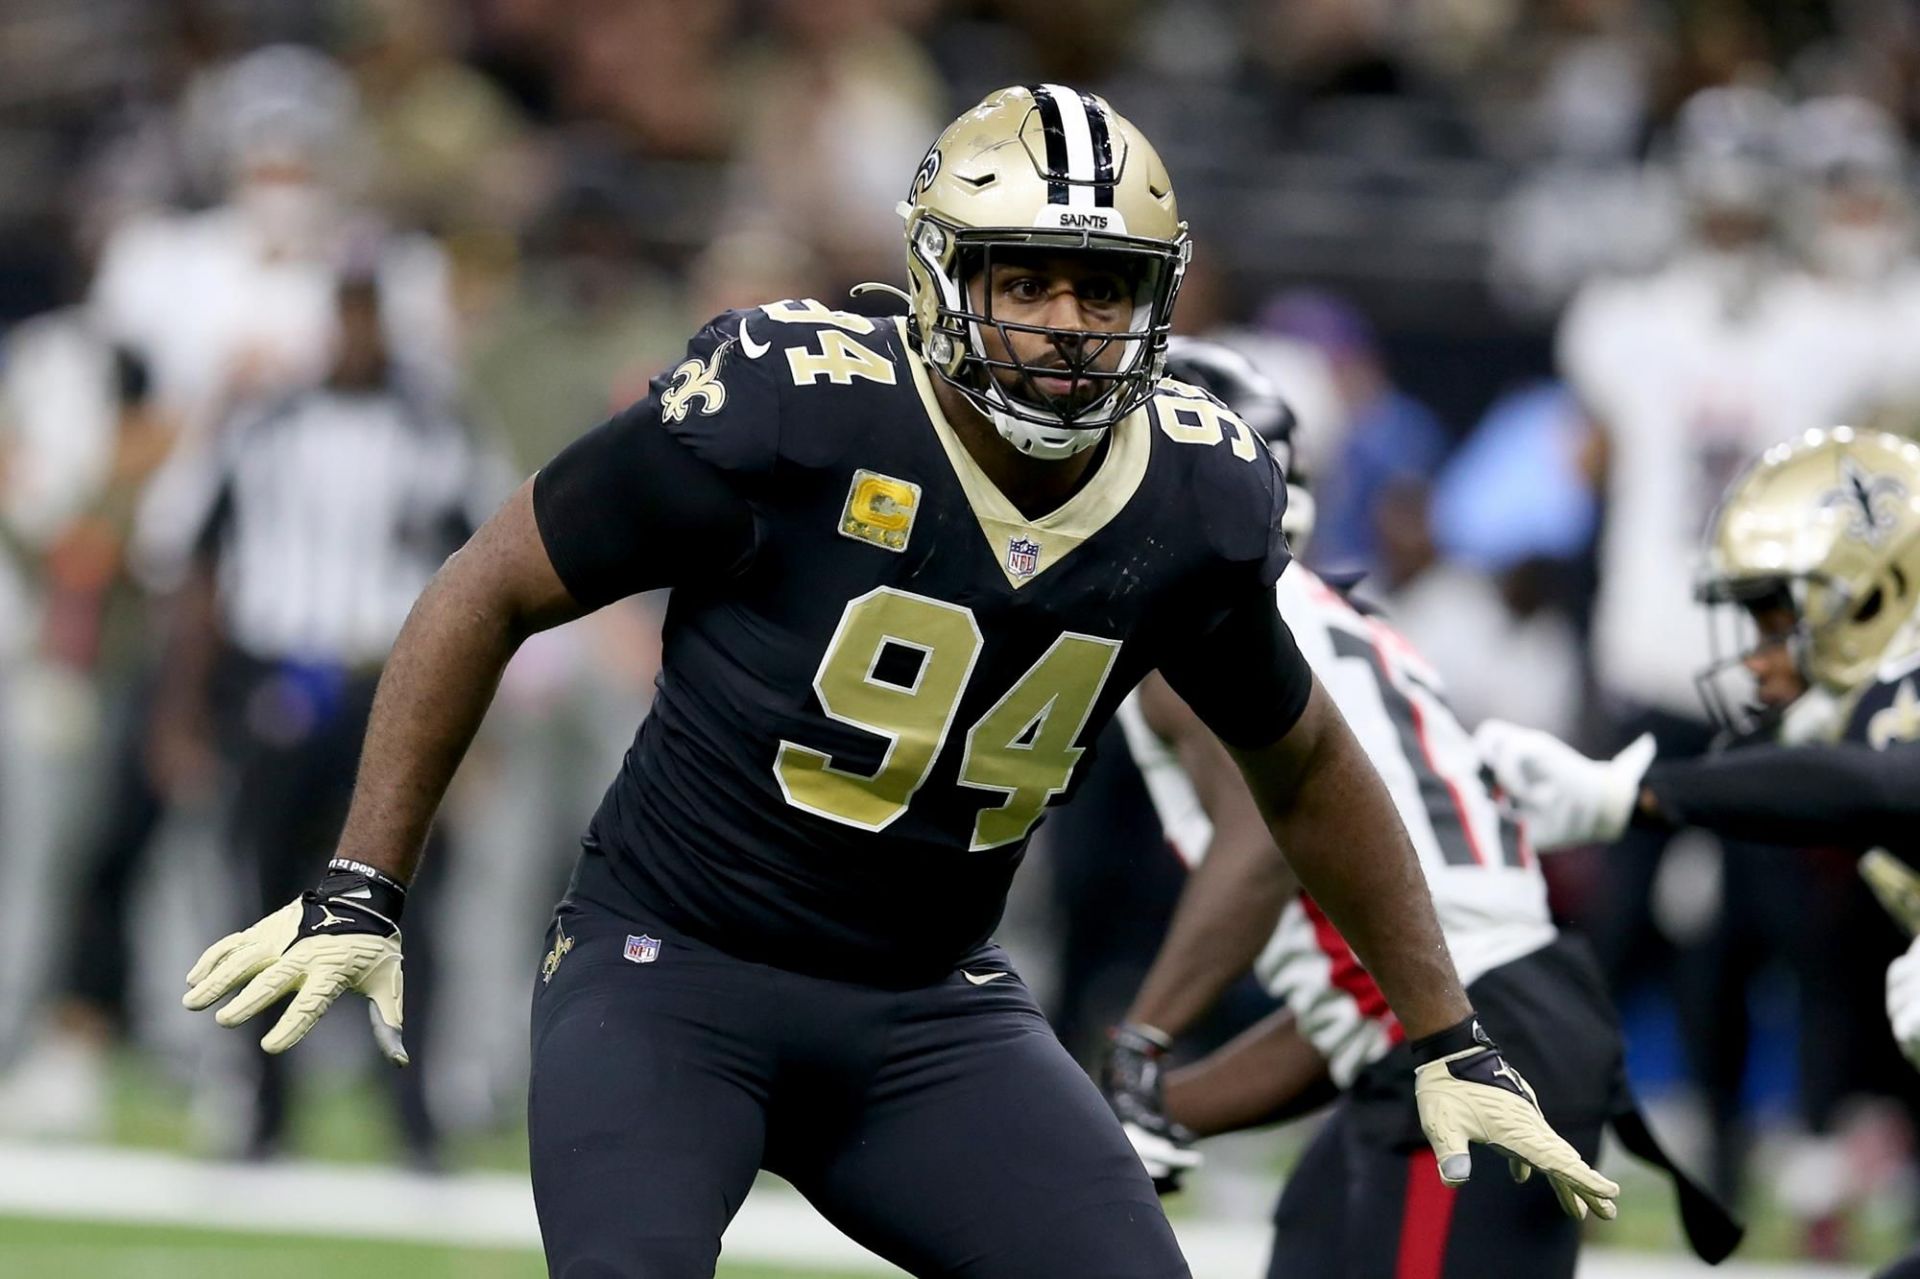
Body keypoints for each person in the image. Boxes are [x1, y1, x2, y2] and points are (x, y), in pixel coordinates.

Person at [179, 86, 1614, 1277]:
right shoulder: (791, 403)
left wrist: (1449, 1033)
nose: (1065, 318)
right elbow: (490, 581)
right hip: (672, 971)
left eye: (1103, 284)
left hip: (929, 1010)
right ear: (943, 277)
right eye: (1026, 277)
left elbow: (1300, 762)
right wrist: (365, 880)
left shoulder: (1194, 490)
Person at [1101, 340, 1732, 1278]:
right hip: (1485, 1018)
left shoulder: (1203, 626)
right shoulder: (1337, 619)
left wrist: (1138, 1045)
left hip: (1478, 1035)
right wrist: (1139, 1116)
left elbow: (1262, 851)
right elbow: (1360, 1008)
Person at [1479, 427, 1920, 1261]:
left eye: (1773, 616)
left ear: (1865, 596)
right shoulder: (1869, 712)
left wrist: (1637, 795)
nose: (1755, 656)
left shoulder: (1896, 707)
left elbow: (1889, 784)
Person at [159, 263, 484, 1163]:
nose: (357, 338)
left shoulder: (435, 432)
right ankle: (255, 1105)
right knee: (259, 894)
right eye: (342, 318)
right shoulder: (261, 428)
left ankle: (416, 1114)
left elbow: (487, 589)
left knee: (410, 903)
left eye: (370, 318)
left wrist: (475, 735)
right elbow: (197, 568)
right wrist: (179, 710)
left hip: (393, 685)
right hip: (276, 681)